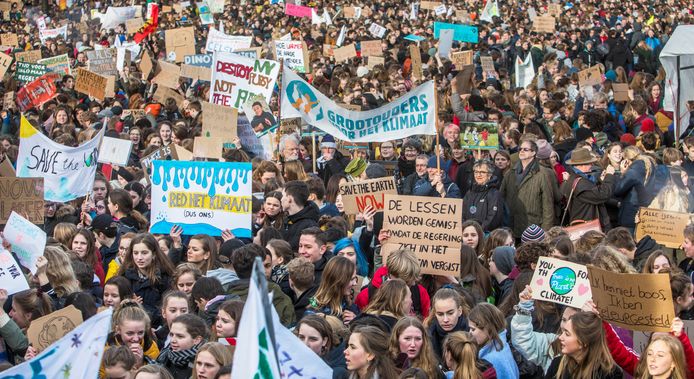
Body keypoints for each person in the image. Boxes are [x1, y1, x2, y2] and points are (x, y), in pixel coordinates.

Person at [501, 139, 555, 238]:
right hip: (511, 226)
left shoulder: (542, 174)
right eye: (520, 149)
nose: (521, 151)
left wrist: (545, 231)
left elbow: (548, 206)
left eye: (525, 149)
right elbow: (501, 197)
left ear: (533, 152)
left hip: (533, 227)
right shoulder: (510, 173)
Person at [117, 233, 176, 324]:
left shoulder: (165, 278)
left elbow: (168, 311)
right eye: (136, 253)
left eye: (144, 253)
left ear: (153, 254)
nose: (139, 258)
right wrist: (129, 305)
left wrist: (140, 308)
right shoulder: (124, 277)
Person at [544, 311, 622, 379]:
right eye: (563, 332)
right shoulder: (556, 365)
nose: (560, 337)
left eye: (567, 334)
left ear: (583, 342)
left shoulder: (610, 374)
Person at [561, 148, 616, 230]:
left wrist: (601, 180)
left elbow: (594, 191)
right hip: (588, 228)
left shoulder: (574, 178)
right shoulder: (580, 184)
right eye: (589, 163)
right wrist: (609, 176)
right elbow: (603, 195)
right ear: (581, 165)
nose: (591, 165)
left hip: (588, 226)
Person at [468, 303, 519, 379]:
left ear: (487, 329)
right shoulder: (502, 346)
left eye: (473, 329)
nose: (470, 332)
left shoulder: (490, 360)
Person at [307, 256, 359, 324]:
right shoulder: (315, 308)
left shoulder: (350, 305)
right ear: (338, 281)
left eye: (355, 278)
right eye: (351, 279)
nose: (355, 283)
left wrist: (356, 321)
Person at [156, 313, 209, 379]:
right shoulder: (164, 356)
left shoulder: (206, 363)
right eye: (172, 335)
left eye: (180, 336)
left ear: (197, 340)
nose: (173, 340)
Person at [463, 160, 505, 232]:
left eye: (482, 172)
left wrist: (478, 231)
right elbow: (462, 214)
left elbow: (493, 219)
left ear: (490, 174)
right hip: (469, 234)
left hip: (486, 235)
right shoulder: (469, 192)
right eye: (476, 172)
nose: (478, 175)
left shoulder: (494, 194)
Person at [281, 180, 320, 251]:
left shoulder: (310, 225)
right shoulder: (286, 220)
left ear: (289, 199)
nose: (281, 199)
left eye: (283, 196)